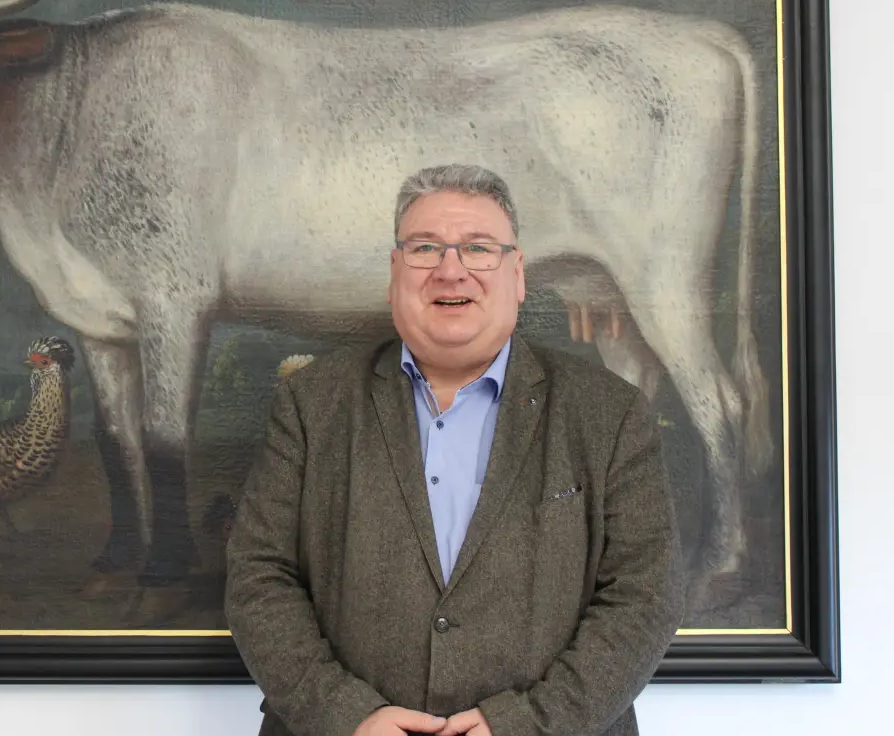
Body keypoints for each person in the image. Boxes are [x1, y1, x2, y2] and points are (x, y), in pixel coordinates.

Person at [224, 164, 684, 736]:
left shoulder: (610, 413)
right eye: (424, 248)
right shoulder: (310, 404)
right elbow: (259, 578)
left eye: (478, 248)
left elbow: (644, 599)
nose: (450, 271)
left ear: (518, 274)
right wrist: (348, 716)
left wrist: (528, 724)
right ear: (395, 273)